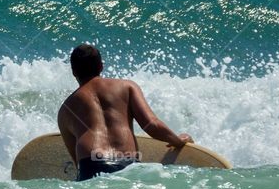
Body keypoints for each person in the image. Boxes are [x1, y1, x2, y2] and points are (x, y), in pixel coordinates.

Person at [57, 44, 193, 181]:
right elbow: (151, 125)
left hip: (90, 166)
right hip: (126, 163)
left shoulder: (65, 110)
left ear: (74, 71)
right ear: (101, 66)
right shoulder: (127, 87)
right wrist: (177, 141)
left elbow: (78, 164)